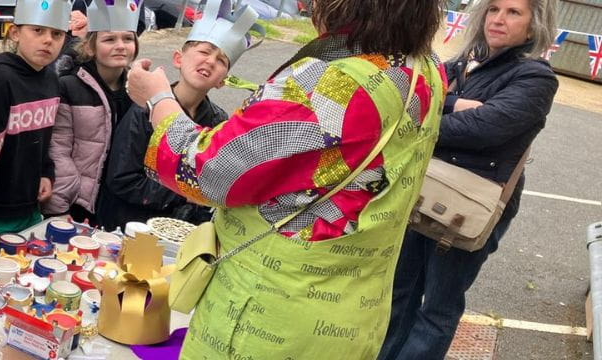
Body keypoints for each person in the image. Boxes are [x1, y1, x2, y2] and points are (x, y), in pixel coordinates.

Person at [125, 0, 446, 356]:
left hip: (268, 315)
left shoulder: (331, 83)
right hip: (353, 312)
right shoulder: (426, 71)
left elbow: (210, 170)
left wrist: (158, 100)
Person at [378, 0, 559, 357]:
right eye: (493, 9)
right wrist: (457, 104)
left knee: (437, 311)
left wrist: (435, 109)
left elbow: (484, 128)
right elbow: (410, 95)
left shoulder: (535, 77)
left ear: (533, 24)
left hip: (467, 205)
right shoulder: (464, 62)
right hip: (425, 190)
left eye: (513, 13)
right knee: (399, 294)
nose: (499, 20)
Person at [94, 17, 231, 231]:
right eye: (204, 52)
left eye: (222, 60)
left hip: (182, 229)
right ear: (178, 58)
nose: (211, 61)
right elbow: (123, 179)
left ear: (222, 81)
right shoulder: (144, 109)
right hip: (129, 224)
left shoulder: (219, 123)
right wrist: (186, 193)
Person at [0, 0, 70, 248]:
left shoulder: (52, 80)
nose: (48, 40)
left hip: (30, 208)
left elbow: (45, 138)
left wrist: (47, 172)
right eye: (38, 31)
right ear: (14, 33)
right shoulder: (1, 79)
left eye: (57, 34)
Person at [45, 0, 140, 225]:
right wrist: (59, 205)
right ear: (89, 47)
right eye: (109, 39)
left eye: (128, 38)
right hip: (77, 202)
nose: (120, 45)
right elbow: (59, 148)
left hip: (115, 203)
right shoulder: (69, 86)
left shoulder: (138, 90)